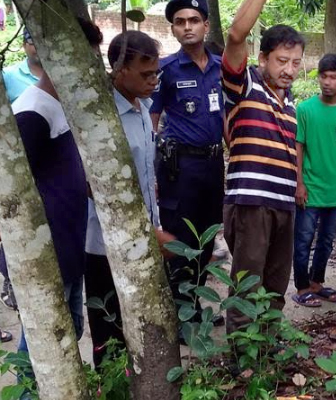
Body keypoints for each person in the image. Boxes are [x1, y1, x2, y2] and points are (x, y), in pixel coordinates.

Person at [11, 17, 104, 358]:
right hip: (46, 252)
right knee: (43, 346)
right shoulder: (32, 113)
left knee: (69, 331)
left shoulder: (61, 107)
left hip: (68, 244)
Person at [85, 30, 176, 366]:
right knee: (108, 331)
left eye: (157, 73)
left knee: (142, 323)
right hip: (105, 244)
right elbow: (93, 184)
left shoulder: (144, 110)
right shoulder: (101, 117)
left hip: (145, 236)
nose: (154, 80)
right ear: (119, 69)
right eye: (146, 73)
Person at [221, 0, 305, 332]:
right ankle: (242, 357)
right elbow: (236, 35)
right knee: (246, 284)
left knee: (276, 285)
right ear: (263, 59)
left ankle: (267, 351)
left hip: (284, 205)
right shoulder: (246, 87)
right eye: (282, 61)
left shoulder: (292, 108)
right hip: (251, 204)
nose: (289, 69)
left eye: (296, 63)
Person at [151, 0, 225, 327]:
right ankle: (183, 316)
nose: (187, 26)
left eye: (194, 20)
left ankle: (194, 303)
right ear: (173, 29)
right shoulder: (165, 70)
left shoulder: (222, 68)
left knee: (208, 238)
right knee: (180, 239)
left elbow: (228, 116)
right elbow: (150, 121)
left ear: (206, 25)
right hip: (179, 168)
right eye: (180, 21)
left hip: (213, 164)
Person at [292, 54, 336, 307]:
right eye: (323, 76)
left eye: (333, 77)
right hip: (310, 188)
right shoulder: (305, 109)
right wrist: (299, 183)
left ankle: (316, 283)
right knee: (303, 240)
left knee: (327, 240)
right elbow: (298, 147)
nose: (327, 82)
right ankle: (301, 287)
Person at [1, 30, 44, 310]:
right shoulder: (10, 76)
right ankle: (12, 279)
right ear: (24, 44)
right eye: (30, 41)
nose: (35, 46)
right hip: (19, 163)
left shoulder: (59, 74)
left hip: (51, 162)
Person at [2, 30, 43, 103]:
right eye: (32, 41)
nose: (40, 45)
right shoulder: (7, 76)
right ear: (24, 45)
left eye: (44, 41)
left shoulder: (65, 72)